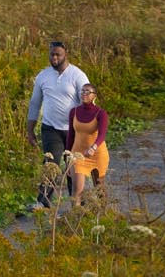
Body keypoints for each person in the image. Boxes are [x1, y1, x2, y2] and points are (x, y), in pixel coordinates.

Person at [26, 41, 88, 209]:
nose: (54, 58)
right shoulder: (43, 76)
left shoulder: (77, 75)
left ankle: (77, 202)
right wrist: (30, 130)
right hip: (50, 128)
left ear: (65, 54)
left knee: (73, 167)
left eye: (57, 55)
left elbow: (88, 101)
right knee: (50, 164)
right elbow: (35, 103)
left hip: (73, 130)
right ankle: (43, 201)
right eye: (51, 54)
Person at [68, 83, 110, 206]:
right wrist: (67, 156)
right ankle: (75, 218)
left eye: (87, 92)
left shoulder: (101, 113)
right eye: (82, 91)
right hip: (78, 154)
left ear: (94, 96)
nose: (84, 94)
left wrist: (93, 147)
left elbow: (102, 135)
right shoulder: (73, 112)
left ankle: (103, 215)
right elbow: (71, 135)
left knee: (99, 189)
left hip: (97, 154)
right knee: (77, 190)